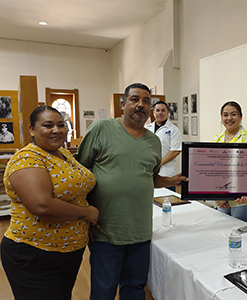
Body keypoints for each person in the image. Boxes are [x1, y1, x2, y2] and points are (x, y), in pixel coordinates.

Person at [75, 83, 187, 300]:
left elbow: (148, 177)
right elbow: (79, 173)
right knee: (104, 289)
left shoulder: (153, 142)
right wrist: (84, 213)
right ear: (123, 103)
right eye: (135, 99)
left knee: (135, 287)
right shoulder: (101, 129)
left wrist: (171, 180)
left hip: (140, 230)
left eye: (146, 101)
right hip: (106, 229)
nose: (140, 105)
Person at [0, 106, 99, 300]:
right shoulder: (27, 158)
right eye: (48, 125)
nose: (56, 130)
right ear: (31, 129)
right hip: (35, 254)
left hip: (68, 252)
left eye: (61, 125)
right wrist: (87, 213)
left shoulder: (64, 155)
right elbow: (41, 205)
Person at [211, 101, 247, 224]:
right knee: (222, 229)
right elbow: (214, 172)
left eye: (233, 114)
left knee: (241, 234)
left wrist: (229, 197)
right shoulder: (216, 139)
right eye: (225, 115)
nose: (229, 118)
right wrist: (220, 197)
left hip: (243, 198)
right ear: (221, 118)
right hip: (222, 198)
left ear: (240, 117)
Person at [145, 101, 182, 191]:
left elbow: (175, 151)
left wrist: (158, 164)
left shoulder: (173, 130)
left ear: (167, 113)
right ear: (154, 113)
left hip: (167, 173)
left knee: (167, 200)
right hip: (148, 172)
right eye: (157, 110)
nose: (160, 113)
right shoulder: (146, 128)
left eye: (163, 110)